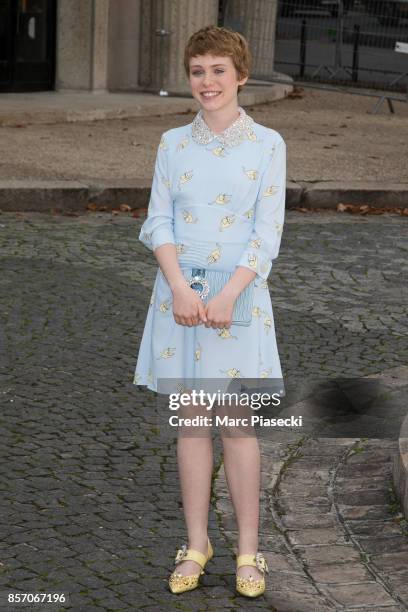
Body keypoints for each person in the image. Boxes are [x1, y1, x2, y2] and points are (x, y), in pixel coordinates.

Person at [133, 25, 287, 598]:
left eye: (219, 70)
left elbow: (267, 233)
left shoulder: (268, 144)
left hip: (238, 298)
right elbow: (158, 221)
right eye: (198, 71)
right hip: (178, 299)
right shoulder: (172, 144)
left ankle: (250, 551)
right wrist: (177, 286)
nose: (207, 81)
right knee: (192, 427)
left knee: (238, 428)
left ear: (241, 75)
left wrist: (228, 295)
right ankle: (197, 544)